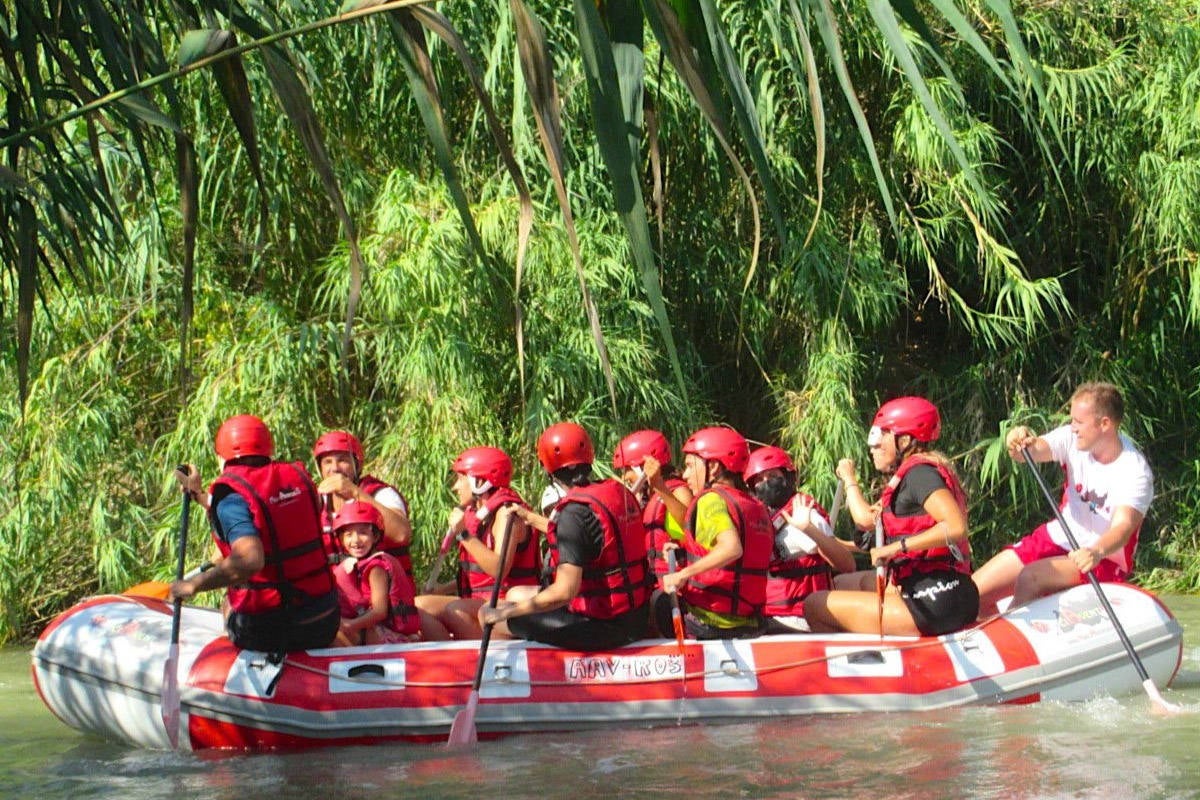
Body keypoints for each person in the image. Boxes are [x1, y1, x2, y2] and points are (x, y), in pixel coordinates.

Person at [972, 382, 1154, 616]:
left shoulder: (1134, 471)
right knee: (972, 591)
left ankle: (1010, 636)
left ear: (1105, 424)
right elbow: (1031, 451)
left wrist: (1095, 551)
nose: (1073, 427)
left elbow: (1122, 528)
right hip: (1059, 537)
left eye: (1079, 422)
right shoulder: (1071, 439)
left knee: (1029, 578)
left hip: (1101, 558)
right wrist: (1018, 442)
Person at [803, 397, 978, 636]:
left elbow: (956, 527)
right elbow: (871, 526)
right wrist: (825, 543)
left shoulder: (919, 476)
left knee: (814, 605)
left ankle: (877, 665)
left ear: (904, 440)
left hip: (937, 600)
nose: (872, 449)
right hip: (941, 590)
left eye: (879, 439)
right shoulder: (909, 478)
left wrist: (896, 548)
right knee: (842, 583)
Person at [171, 414, 339, 653]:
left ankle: (248, 666)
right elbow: (268, 514)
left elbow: (250, 560)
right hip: (325, 618)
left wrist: (193, 585)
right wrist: (200, 496)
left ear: (221, 457)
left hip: (271, 629)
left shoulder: (229, 496)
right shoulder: (298, 478)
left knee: (229, 601)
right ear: (268, 450)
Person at [481, 422, 651, 650]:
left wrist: (507, 612)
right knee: (516, 592)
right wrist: (531, 518)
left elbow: (564, 592)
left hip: (602, 628)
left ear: (547, 468)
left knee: (488, 614)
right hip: (636, 615)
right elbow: (587, 538)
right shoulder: (617, 493)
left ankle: (517, 675)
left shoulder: (573, 514)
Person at [657, 426, 773, 639]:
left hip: (710, 621)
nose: (685, 475)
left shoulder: (711, 499)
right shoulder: (755, 505)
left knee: (655, 602)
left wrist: (683, 574)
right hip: (752, 620)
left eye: (691, 466)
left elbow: (732, 549)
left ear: (713, 468)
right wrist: (683, 554)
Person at [415, 446, 540, 639]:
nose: (455, 487)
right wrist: (445, 588)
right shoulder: (477, 513)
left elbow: (499, 570)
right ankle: (451, 663)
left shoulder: (508, 515)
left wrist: (464, 534)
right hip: (480, 599)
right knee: (417, 607)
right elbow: (480, 577)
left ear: (479, 481)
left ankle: (477, 662)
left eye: (460, 479)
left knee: (456, 610)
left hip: (506, 604)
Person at [743, 445, 856, 633]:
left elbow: (847, 565)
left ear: (787, 478)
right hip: (769, 613)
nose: (766, 483)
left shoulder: (805, 513)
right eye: (759, 480)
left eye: (772, 476)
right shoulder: (761, 520)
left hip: (799, 617)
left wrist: (808, 528)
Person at [312, 430, 414, 580]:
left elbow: (402, 534)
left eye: (342, 460)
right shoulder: (316, 502)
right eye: (327, 461)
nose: (334, 468)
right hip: (338, 597)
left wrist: (354, 492)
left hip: (383, 596)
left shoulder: (381, 494)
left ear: (357, 465)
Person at [330, 501, 421, 646]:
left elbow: (379, 611)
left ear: (376, 536)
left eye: (363, 533)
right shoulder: (364, 564)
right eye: (348, 535)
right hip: (383, 631)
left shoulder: (376, 568)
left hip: (388, 637)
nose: (355, 540)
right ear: (341, 539)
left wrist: (349, 625)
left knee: (335, 636)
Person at [611, 429, 693, 582]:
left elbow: (691, 525)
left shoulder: (679, 490)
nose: (625, 478)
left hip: (675, 581)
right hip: (652, 581)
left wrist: (659, 487)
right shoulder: (646, 500)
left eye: (628, 472)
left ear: (644, 468)